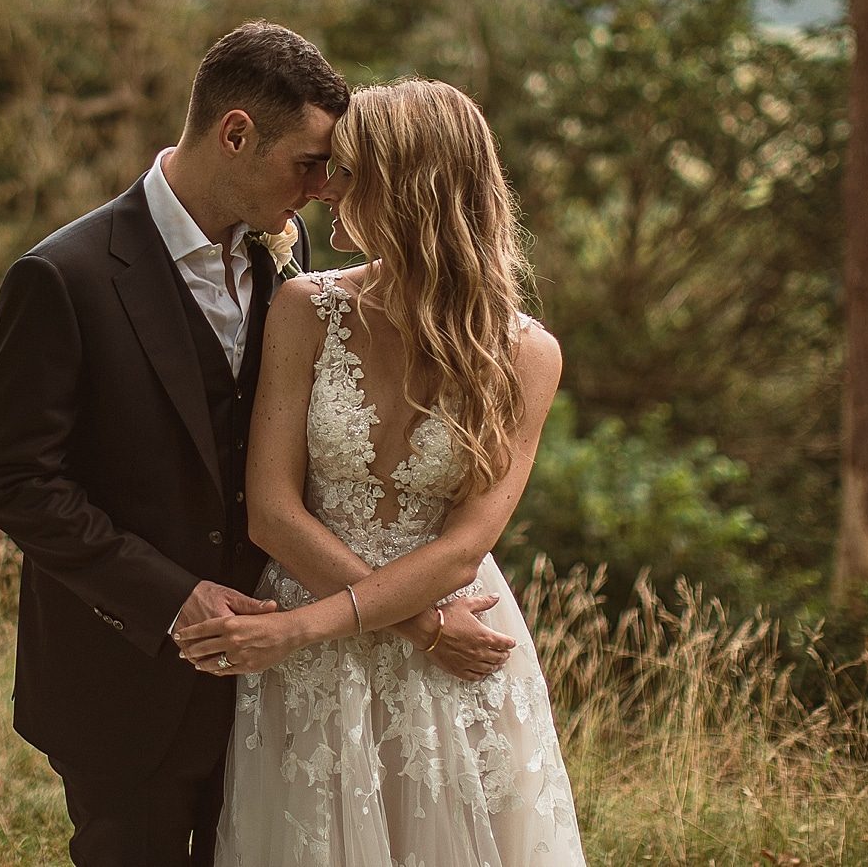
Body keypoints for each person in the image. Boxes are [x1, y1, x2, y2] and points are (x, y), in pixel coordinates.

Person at [176, 78, 587, 865]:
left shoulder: (527, 354)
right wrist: (415, 627)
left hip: (454, 642)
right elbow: (270, 510)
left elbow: (465, 548)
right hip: (333, 638)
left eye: (346, 172)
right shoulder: (305, 307)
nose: (323, 189)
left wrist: (299, 628)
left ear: (408, 192)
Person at [0, 21, 350, 866]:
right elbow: (17, 481)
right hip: (119, 677)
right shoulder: (61, 276)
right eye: (308, 162)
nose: (323, 188)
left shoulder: (285, 268)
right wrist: (173, 598)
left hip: (269, 678)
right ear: (236, 134)